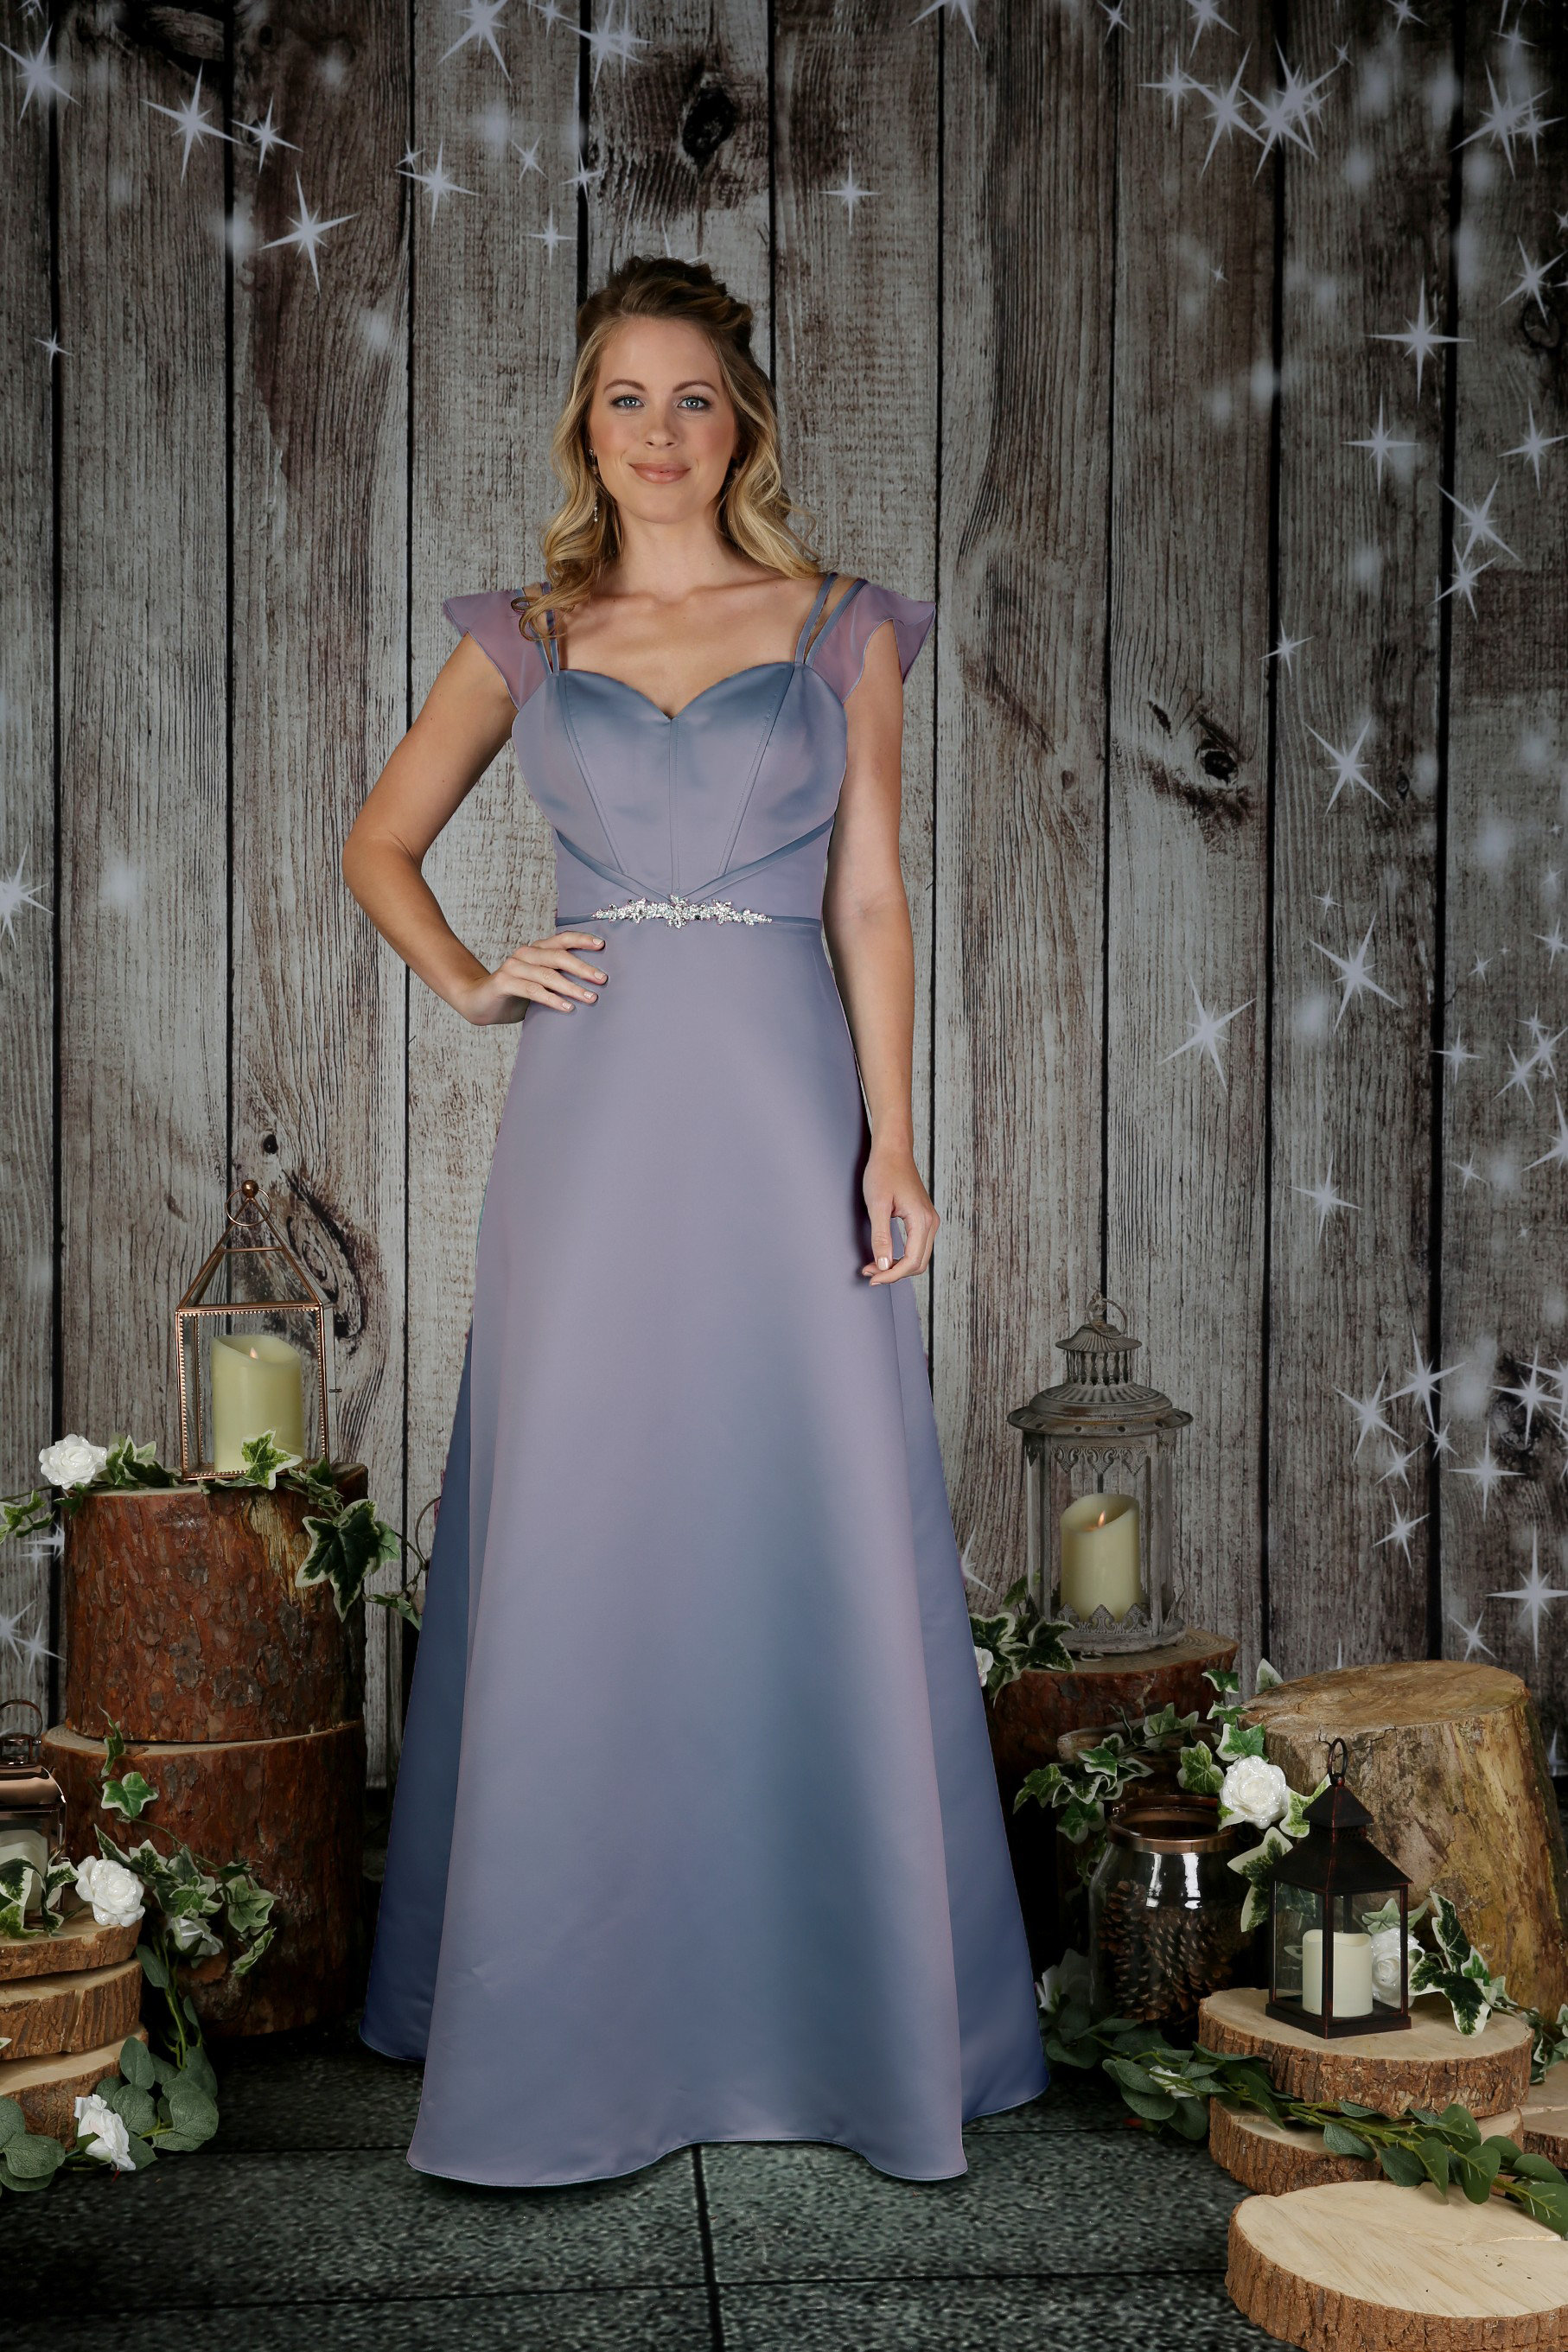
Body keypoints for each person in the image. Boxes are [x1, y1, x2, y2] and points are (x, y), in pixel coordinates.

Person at [341, 254, 1047, 2187]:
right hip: (590, 1123)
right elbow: (377, 843)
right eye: (625, 398)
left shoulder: (841, 626)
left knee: (799, 1492)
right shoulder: (526, 632)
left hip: (778, 1104)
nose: (659, 430)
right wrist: (475, 977)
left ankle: (839, 2007)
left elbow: (869, 897)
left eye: (694, 398)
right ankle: (563, 2009)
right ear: (586, 427)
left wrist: (892, 1141)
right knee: (586, 1503)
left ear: (743, 426)